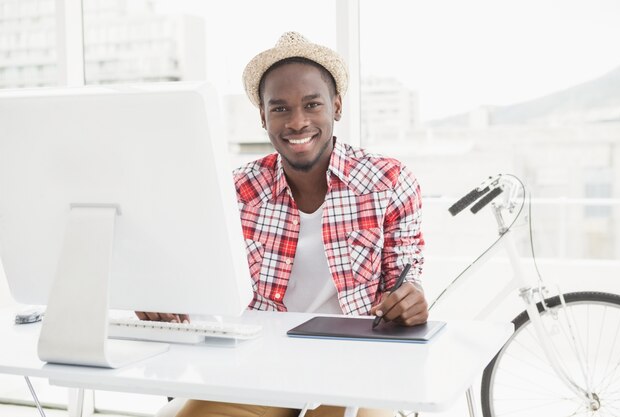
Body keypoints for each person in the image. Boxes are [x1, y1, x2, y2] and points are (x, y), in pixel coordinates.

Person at [155, 32, 427, 417]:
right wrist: (162, 296)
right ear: (263, 116)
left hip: (356, 367)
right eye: (280, 109)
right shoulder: (237, 190)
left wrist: (411, 300)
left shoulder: (389, 181)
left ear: (336, 106)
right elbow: (193, 273)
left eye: (312, 105)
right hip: (258, 367)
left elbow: (406, 276)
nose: (297, 122)